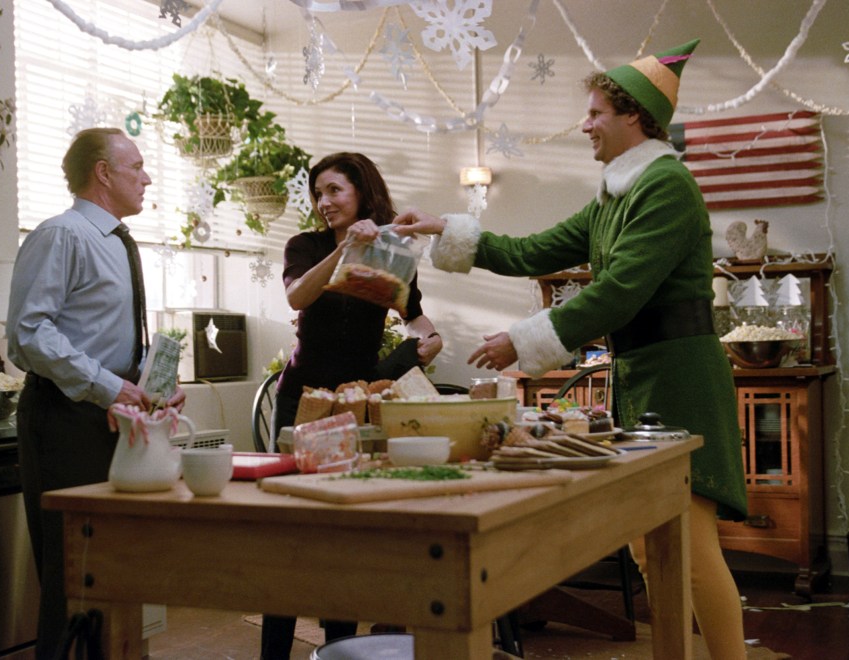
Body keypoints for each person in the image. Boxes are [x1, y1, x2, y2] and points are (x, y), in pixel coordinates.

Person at [393, 40, 749, 660]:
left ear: (633, 114)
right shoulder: (615, 193)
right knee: (649, 543)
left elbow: (619, 293)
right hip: (644, 375)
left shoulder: (665, 186)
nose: (584, 125)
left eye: (593, 114)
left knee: (688, 542)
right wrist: (444, 227)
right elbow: (532, 251)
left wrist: (521, 342)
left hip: (683, 379)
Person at [6, 127, 186, 659]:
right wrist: (109, 389)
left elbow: (108, 339)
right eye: (137, 166)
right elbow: (27, 334)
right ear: (103, 173)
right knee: (75, 578)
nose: (147, 176)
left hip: (114, 419)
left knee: (117, 568)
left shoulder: (116, 243)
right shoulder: (62, 234)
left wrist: (156, 391)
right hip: (65, 420)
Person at [262, 152, 443, 659]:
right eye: (318, 193)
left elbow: (414, 315)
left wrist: (429, 339)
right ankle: (273, 654)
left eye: (335, 190)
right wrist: (344, 251)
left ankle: (338, 650)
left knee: (340, 533)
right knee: (292, 535)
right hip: (302, 402)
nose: (324, 202)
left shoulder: (390, 251)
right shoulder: (305, 246)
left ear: (362, 192)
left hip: (355, 403)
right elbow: (298, 297)